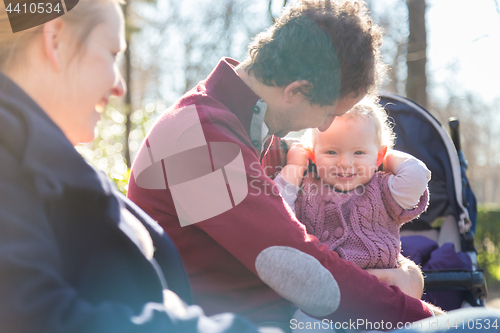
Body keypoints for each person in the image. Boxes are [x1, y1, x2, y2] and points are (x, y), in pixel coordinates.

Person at [127, 0, 438, 331]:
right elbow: (301, 269)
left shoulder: (263, 135)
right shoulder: (197, 139)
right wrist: (429, 318)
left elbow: (354, 218)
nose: (324, 127)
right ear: (297, 91)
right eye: (329, 113)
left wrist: (404, 271)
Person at [0, 1, 261, 332]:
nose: (119, 86)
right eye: (111, 54)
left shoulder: (36, 162)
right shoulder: (10, 162)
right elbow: (33, 319)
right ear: (55, 42)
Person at [275, 99, 432, 331]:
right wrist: (295, 168)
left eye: (358, 152)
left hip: (377, 297)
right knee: (302, 323)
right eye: (331, 151)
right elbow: (277, 207)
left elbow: (418, 175)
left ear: (378, 157)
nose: (345, 162)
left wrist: (382, 158)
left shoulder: (384, 189)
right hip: (320, 301)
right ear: (313, 155)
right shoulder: (306, 187)